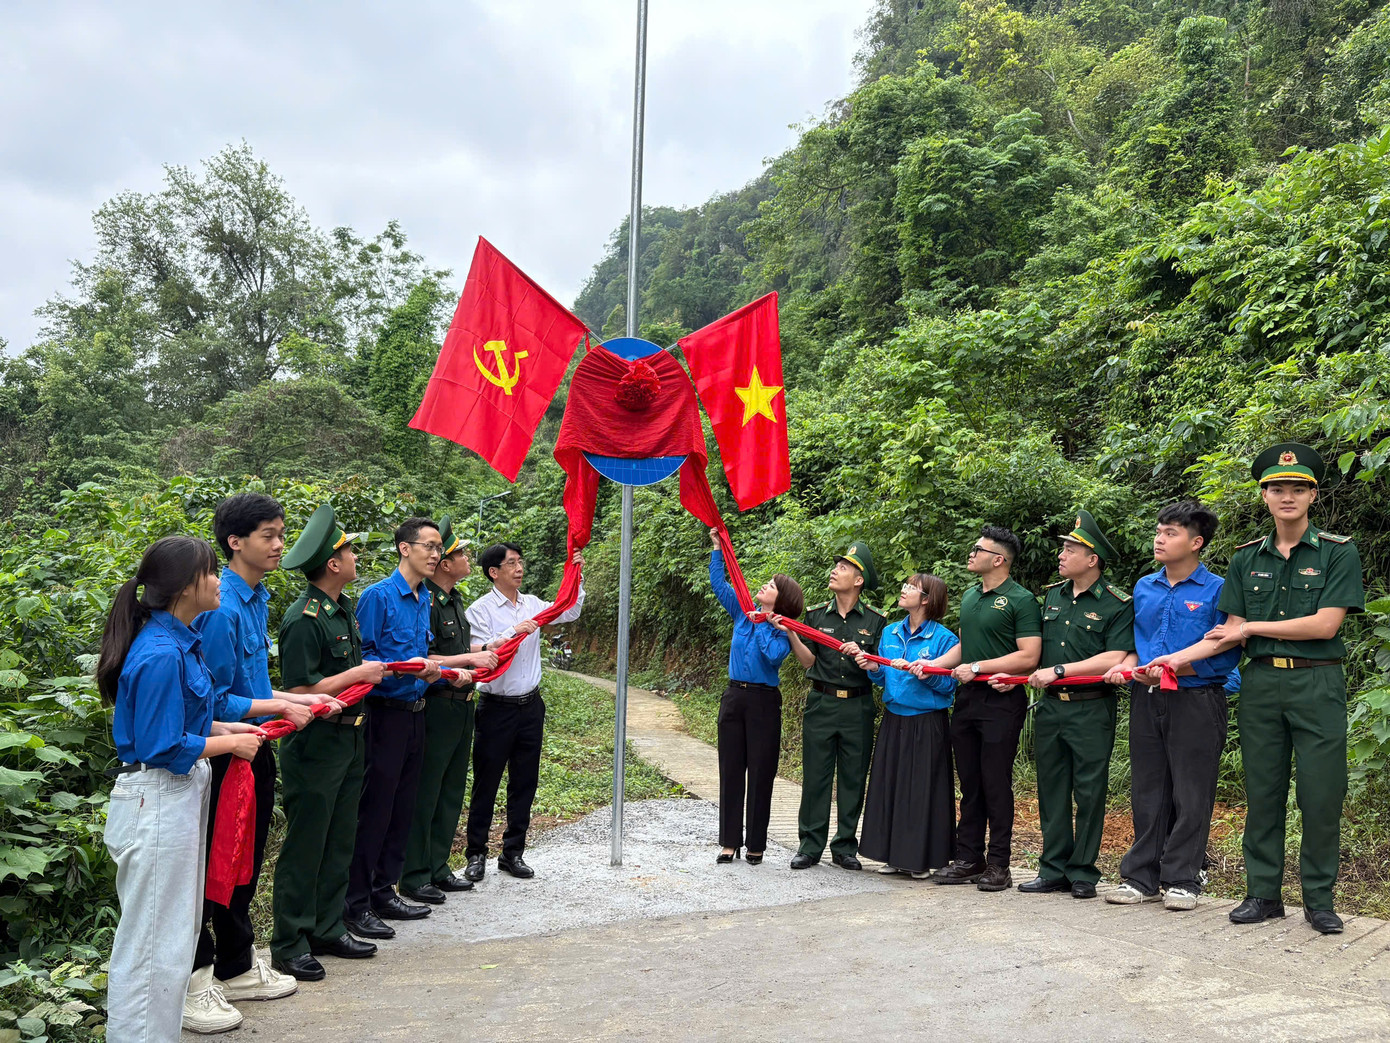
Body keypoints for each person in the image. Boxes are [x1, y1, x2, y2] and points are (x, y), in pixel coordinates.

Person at [98, 536, 266, 1043]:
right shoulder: (158, 653)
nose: (218, 581)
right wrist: (230, 743)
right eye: (211, 573)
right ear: (185, 586)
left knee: (174, 936)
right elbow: (160, 744)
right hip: (157, 799)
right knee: (152, 942)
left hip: (177, 795)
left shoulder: (180, 643)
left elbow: (183, 720)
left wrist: (224, 729)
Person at [186, 494, 339, 1033]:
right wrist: (283, 706)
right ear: (235, 542)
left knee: (243, 864)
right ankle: (196, 978)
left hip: (255, 747)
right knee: (214, 868)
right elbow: (214, 701)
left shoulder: (255, 598)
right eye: (268, 536)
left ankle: (235, 966)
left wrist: (295, 701)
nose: (280, 545)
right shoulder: (221, 606)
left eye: (281, 534)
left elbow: (251, 687)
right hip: (225, 752)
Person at [1210, 443, 1364, 934]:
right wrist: (1171, 662)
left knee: (1320, 794)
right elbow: (1229, 629)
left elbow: (1325, 625)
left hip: (1317, 682)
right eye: (1277, 488)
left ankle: (1319, 900)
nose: (1287, 496)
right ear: (1265, 496)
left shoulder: (1338, 552)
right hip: (1261, 683)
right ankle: (1262, 894)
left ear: (1313, 495)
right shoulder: (1245, 559)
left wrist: (1252, 628)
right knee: (1263, 791)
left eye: (1298, 488)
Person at [1102, 502, 1241, 912]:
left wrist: (1175, 668)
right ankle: (1140, 877)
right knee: (1148, 789)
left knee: (1191, 791)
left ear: (1196, 542)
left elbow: (1227, 650)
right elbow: (1136, 644)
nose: (1160, 539)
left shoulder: (1219, 590)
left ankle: (1182, 878)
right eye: (1159, 531)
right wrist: (1127, 667)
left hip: (1197, 698)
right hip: (1147, 698)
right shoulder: (1145, 586)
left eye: (1171, 533)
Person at [270, 504, 388, 981]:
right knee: (307, 844)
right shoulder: (304, 619)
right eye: (350, 551)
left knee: (339, 838)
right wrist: (357, 674)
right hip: (316, 745)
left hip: (349, 739)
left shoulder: (342, 610)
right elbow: (299, 691)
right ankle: (290, 941)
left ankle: (327, 926)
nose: (357, 557)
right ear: (333, 564)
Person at [997, 511, 1134, 900]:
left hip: (1092, 707)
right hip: (1052, 708)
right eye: (1064, 548)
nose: (1061, 554)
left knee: (1089, 791)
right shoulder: (1053, 596)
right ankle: (1053, 868)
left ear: (1092, 559)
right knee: (1052, 789)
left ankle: (1083, 871)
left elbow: (1115, 656)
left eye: (1070, 549)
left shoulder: (1116, 603)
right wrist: (1014, 675)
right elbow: (1036, 652)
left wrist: (1059, 671)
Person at [344, 518, 450, 939]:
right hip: (384, 714)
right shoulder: (379, 597)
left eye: (439, 548)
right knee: (375, 808)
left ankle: (384, 890)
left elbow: (423, 654)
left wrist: (436, 671)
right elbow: (364, 660)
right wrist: (405, 671)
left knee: (402, 806)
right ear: (405, 548)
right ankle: (357, 902)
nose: (436, 554)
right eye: (429, 546)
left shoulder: (424, 598)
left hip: (416, 713)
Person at [462, 542, 586, 881]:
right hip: (495, 709)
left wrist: (576, 573)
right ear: (493, 572)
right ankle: (476, 854)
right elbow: (477, 652)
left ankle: (513, 852)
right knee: (486, 782)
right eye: (511, 563)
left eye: (520, 562)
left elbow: (568, 610)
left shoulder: (532, 604)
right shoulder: (480, 610)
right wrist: (511, 633)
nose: (519, 569)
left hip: (530, 706)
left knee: (524, 781)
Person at [927, 526, 1041, 892]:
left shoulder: (1021, 599)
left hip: (1002, 699)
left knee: (995, 781)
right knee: (970, 782)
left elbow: (1029, 655)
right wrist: (932, 664)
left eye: (979, 549)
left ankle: (999, 864)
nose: (972, 553)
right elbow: (966, 646)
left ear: (998, 560)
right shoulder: (970, 596)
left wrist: (978, 667)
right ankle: (969, 858)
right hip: (968, 699)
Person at [401, 516, 499, 903]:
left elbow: (458, 649)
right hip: (438, 705)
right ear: (445, 564)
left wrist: (484, 650)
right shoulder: (424, 601)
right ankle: (415, 873)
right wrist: (468, 660)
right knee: (427, 791)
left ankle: (438, 866)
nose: (466, 559)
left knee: (451, 789)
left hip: (463, 706)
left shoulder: (454, 600)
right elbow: (425, 656)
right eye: (460, 554)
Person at [783, 541, 886, 871]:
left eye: (843, 568)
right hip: (822, 702)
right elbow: (808, 661)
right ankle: (809, 845)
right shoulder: (815, 616)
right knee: (816, 776)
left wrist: (866, 658)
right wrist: (792, 634)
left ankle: (845, 847)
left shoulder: (876, 621)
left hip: (858, 706)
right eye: (836, 565)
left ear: (859, 580)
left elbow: (879, 669)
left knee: (853, 778)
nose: (834, 571)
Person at [707, 529, 804, 866]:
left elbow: (772, 657)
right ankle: (729, 842)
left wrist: (766, 624)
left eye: (771, 586)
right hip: (735, 697)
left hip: (764, 702)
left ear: (781, 599)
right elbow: (720, 585)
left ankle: (756, 844)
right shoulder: (742, 611)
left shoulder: (782, 631)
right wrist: (718, 549)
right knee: (731, 769)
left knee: (761, 773)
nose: (764, 585)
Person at [856, 574, 959, 878]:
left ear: (927, 599)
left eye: (911, 588)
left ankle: (918, 860)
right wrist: (873, 668)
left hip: (927, 723)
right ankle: (890, 855)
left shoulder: (945, 639)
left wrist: (928, 675)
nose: (904, 590)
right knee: (889, 787)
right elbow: (883, 678)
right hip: (893, 719)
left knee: (921, 792)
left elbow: (949, 687)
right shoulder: (890, 632)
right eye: (905, 585)